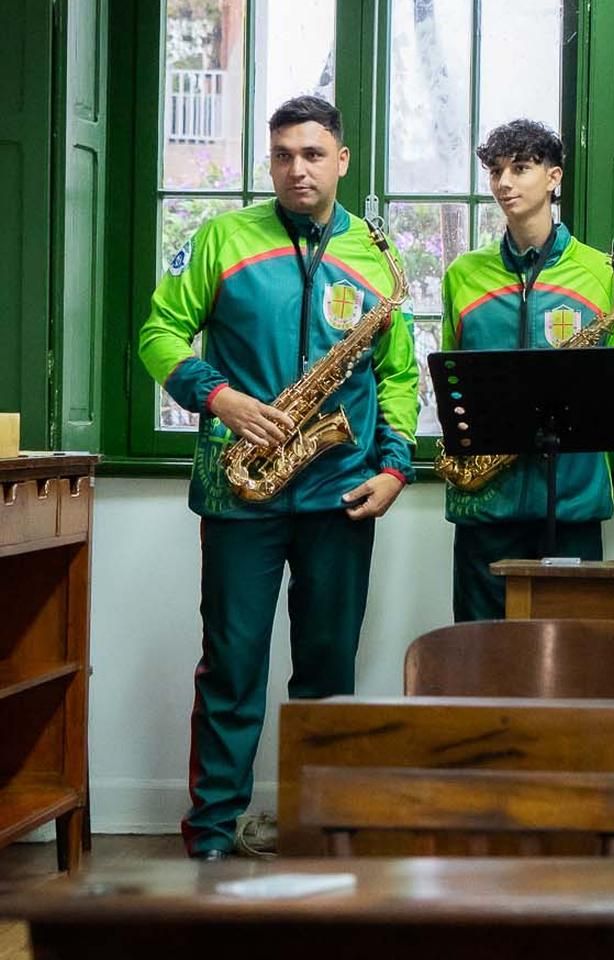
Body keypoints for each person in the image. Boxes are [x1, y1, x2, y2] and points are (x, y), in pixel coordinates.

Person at [138, 95, 419, 859]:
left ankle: (317, 827)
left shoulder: (376, 255)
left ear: (342, 160)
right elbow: (157, 333)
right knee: (232, 664)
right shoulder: (223, 238)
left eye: (313, 154)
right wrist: (220, 398)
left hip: (342, 491)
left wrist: (397, 469)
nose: (298, 169)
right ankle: (212, 835)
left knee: (328, 671)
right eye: (284, 155)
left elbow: (396, 375)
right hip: (239, 491)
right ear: (270, 161)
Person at [440, 119, 614, 621]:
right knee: (479, 661)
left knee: (571, 664)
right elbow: (451, 384)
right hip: (485, 504)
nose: (505, 183)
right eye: (497, 171)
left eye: (521, 169)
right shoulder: (462, 275)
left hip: (571, 504)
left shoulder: (599, 274)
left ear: (554, 177)